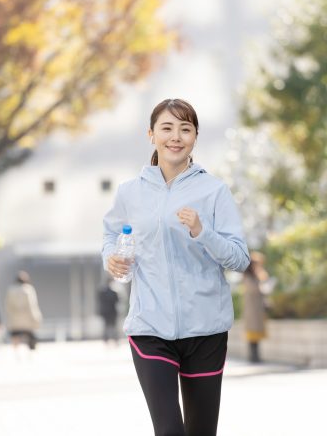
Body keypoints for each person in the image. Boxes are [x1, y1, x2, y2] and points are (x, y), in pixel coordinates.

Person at [103, 98, 250, 436]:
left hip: (206, 331)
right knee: (169, 431)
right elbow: (111, 236)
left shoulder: (214, 191)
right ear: (151, 134)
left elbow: (239, 258)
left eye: (185, 129)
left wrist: (203, 232)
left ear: (195, 136)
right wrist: (111, 256)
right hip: (150, 327)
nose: (176, 136)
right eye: (167, 128)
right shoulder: (130, 193)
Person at [242, 251, 270, 363]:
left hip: (257, 309)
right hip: (252, 310)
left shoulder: (256, 275)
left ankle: (256, 356)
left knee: (256, 334)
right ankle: (253, 357)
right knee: (252, 334)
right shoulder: (247, 277)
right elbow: (254, 289)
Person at [5, 270, 43, 353]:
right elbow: (32, 305)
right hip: (27, 319)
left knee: (15, 336)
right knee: (28, 335)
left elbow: (8, 306)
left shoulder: (11, 290)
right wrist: (36, 317)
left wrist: (10, 316)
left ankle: (16, 353)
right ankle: (29, 354)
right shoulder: (28, 290)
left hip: (15, 319)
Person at [97, 278, 120, 345]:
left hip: (105, 312)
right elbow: (117, 301)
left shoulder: (102, 292)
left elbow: (100, 301)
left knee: (106, 326)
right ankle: (115, 340)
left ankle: (106, 341)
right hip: (112, 312)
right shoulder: (114, 292)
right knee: (114, 327)